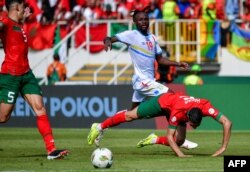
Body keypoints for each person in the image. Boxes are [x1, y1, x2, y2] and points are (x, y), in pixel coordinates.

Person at [98, 7, 197, 149]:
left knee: (130, 115)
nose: (144, 22)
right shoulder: (131, 35)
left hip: (148, 81)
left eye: (146, 19)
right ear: (134, 22)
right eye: (140, 20)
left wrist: (177, 63)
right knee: (171, 97)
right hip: (142, 81)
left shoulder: (152, 38)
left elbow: (160, 59)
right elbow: (110, 38)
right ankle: (179, 138)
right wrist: (107, 42)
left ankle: (100, 126)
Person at [0, 0, 69, 160]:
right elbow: (3, 26)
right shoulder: (5, 21)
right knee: (3, 117)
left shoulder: (18, 24)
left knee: (40, 108)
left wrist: (23, 19)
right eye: (23, 7)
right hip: (11, 75)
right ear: (17, 7)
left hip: (26, 74)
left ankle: (51, 150)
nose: (26, 9)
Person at [88, 92, 232, 157]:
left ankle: (153, 139)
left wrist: (223, 147)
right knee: (130, 115)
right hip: (162, 103)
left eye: (197, 124)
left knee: (180, 140)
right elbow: (170, 136)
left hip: (177, 105)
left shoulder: (206, 106)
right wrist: (181, 155)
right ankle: (99, 126)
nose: (195, 126)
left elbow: (227, 122)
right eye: (193, 124)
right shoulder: (178, 112)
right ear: (188, 118)